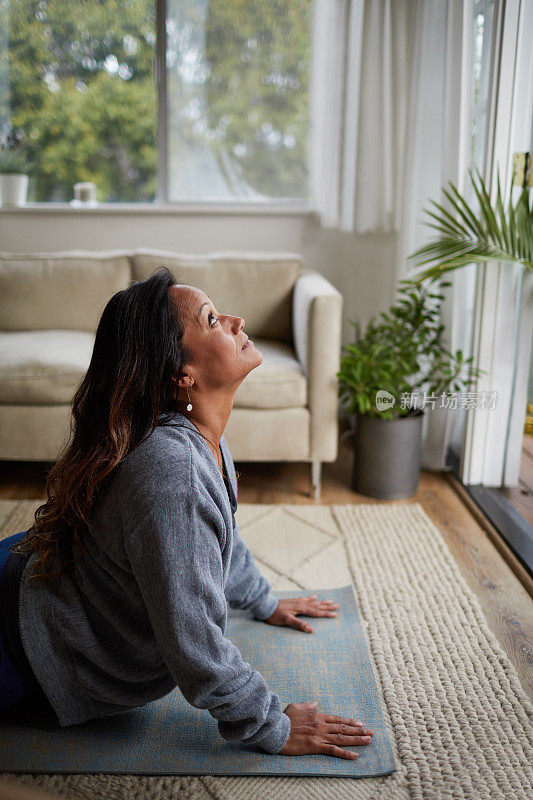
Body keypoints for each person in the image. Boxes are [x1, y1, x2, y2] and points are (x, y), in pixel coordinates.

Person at [1, 267, 374, 759]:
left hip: (33, 577)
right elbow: (193, 642)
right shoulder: (173, 472)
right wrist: (272, 724)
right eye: (213, 319)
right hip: (23, 647)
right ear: (182, 376)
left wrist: (263, 600)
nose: (236, 321)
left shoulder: (198, 443)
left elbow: (216, 540)